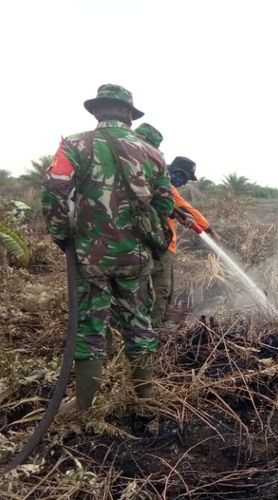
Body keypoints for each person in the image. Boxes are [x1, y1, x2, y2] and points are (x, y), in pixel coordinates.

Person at [41, 84, 174, 412]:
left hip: (90, 258)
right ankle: (145, 400)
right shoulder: (152, 153)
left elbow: (55, 189)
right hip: (136, 258)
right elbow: (165, 202)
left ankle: (84, 405)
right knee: (139, 324)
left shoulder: (74, 144)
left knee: (90, 327)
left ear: (97, 111)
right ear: (129, 114)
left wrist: (63, 235)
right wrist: (147, 236)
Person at [134, 124, 213, 326]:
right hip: (160, 247)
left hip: (163, 245)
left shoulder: (151, 180)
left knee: (164, 290)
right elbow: (186, 209)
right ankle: (154, 332)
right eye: (184, 177)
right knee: (160, 290)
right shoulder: (164, 184)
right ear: (173, 170)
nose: (184, 182)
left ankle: (156, 324)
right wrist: (208, 229)